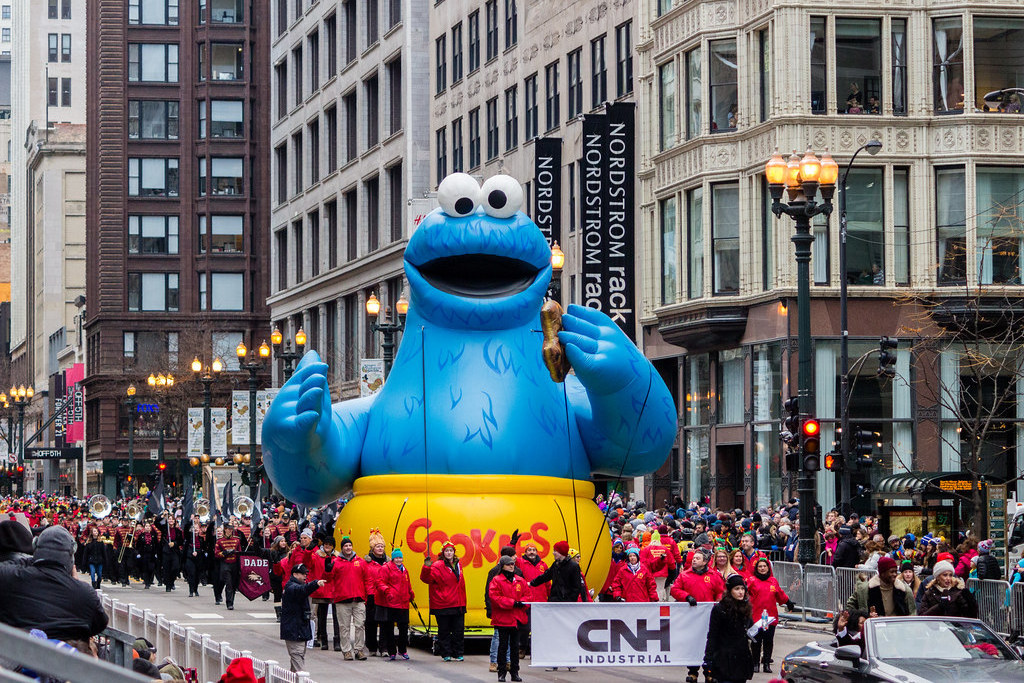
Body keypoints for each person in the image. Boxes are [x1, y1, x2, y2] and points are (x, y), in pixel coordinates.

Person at [0, 526, 109, 641]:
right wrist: (76, 585)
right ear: (71, 555)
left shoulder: (9, 576)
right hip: (68, 657)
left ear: (35, 548)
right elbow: (100, 624)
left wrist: (33, 560)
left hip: (16, 653)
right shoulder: (85, 593)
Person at [671, 548, 723, 683]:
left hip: (709, 616)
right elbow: (675, 590)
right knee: (693, 643)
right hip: (691, 616)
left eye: (697, 558)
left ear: (705, 562)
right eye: (694, 558)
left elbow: (720, 591)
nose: (694, 560)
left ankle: (709, 671)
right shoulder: (684, 575)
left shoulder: (714, 575)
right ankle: (693, 671)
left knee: (709, 643)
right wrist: (686, 596)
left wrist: (717, 602)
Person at [704, 574, 767, 683]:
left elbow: (750, 630)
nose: (741, 592)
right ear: (730, 591)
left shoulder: (746, 607)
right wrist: (708, 658)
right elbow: (712, 635)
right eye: (737, 589)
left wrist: (760, 628)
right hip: (724, 656)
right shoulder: (720, 609)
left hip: (741, 656)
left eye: (742, 588)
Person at [421, 540, 467, 662]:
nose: (449, 553)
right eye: (446, 551)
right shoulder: (437, 565)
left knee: (458, 630)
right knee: (444, 630)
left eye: (451, 550)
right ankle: (446, 653)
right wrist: (426, 567)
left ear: (454, 552)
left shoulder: (458, 564)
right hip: (443, 604)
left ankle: (458, 653)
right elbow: (426, 579)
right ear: (443, 552)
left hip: (458, 603)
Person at [746, 558, 793, 673]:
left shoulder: (773, 581)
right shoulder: (752, 580)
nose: (762, 568)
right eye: (760, 566)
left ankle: (766, 664)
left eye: (764, 566)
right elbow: (743, 592)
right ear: (756, 569)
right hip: (756, 617)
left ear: (768, 568)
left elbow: (780, 594)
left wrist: (788, 602)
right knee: (756, 641)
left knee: (768, 641)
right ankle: (755, 664)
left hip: (770, 617)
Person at [280, 563, 326, 673]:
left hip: (299, 630)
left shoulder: (295, 586)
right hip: (294, 631)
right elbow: (302, 590)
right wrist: (316, 583)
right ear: (295, 574)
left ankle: (292, 679)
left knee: (297, 659)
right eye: (303, 574)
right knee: (298, 660)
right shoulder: (291, 587)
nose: (305, 576)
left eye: (306, 574)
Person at [330, 535, 370, 660]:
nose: (348, 548)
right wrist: (327, 570)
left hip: (358, 599)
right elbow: (329, 578)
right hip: (342, 600)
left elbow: (367, 579)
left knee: (360, 625)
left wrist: (367, 595)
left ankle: (359, 649)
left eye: (349, 545)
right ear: (342, 548)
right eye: (345, 546)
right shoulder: (336, 562)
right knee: (344, 627)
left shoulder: (360, 562)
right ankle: (346, 650)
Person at [488, 555, 527, 682]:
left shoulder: (520, 580)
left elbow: (528, 595)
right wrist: (512, 603)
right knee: (503, 646)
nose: (512, 566)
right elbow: (494, 597)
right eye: (509, 564)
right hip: (503, 618)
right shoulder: (497, 580)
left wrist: (522, 602)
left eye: (512, 564)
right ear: (503, 565)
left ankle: (515, 672)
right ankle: (502, 673)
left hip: (516, 618)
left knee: (515, 647)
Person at [846, 555, 916, 616]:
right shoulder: (865, 589)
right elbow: (850, 605)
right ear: (882, 573)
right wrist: (864, 617)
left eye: (895, 571)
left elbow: (912, 612)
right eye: (891, 572)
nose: (895, 574)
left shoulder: (904, 589)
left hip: (898, 628)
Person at [376, 548, 413, 661]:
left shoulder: (404, 569)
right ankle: (392, 651)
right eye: (396, 558)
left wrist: (410, 593)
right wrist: (387, 591)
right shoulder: (386, 568)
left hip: (403, 602)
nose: (399, 560)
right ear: (393, 559)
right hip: (391, 602)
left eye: (400, 557)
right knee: (389, 629)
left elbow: (407, 584)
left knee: (403, 628)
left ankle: (402, 650)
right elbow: (379, 582)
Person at [363, 529, 389, 657]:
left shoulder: (389, 563)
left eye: (382, 546)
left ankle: (384, 647)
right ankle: (372, 646)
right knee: (370, 623)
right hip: (371, 596)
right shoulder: (366, 563)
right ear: (373, 548)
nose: (380, 548)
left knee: (385, 623)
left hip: (384, 596)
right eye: (377, 546)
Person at [214, 522, 243, 610]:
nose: (230, 531)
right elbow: (216, 554)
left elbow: (240, 553)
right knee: (229, 584)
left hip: (235, 564)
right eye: (229, 529)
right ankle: (229, 603)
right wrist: (225, 553)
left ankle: (232, 601)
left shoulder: (237, 540)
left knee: (234, 584)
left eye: (231, 529)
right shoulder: (220, 541)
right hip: (225, 564)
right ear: (225, 529)